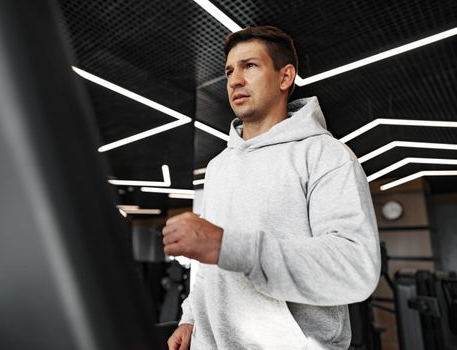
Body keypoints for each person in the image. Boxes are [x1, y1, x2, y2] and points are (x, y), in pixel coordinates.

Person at [162, 26, 381, 350]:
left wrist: (230, 245)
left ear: (285, 77)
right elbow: (209, 263)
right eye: (229, 71)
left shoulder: (325, 155)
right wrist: (191, 317)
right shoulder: (219, 167)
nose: (235, 80)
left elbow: (354, 267)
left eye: (250, 66)